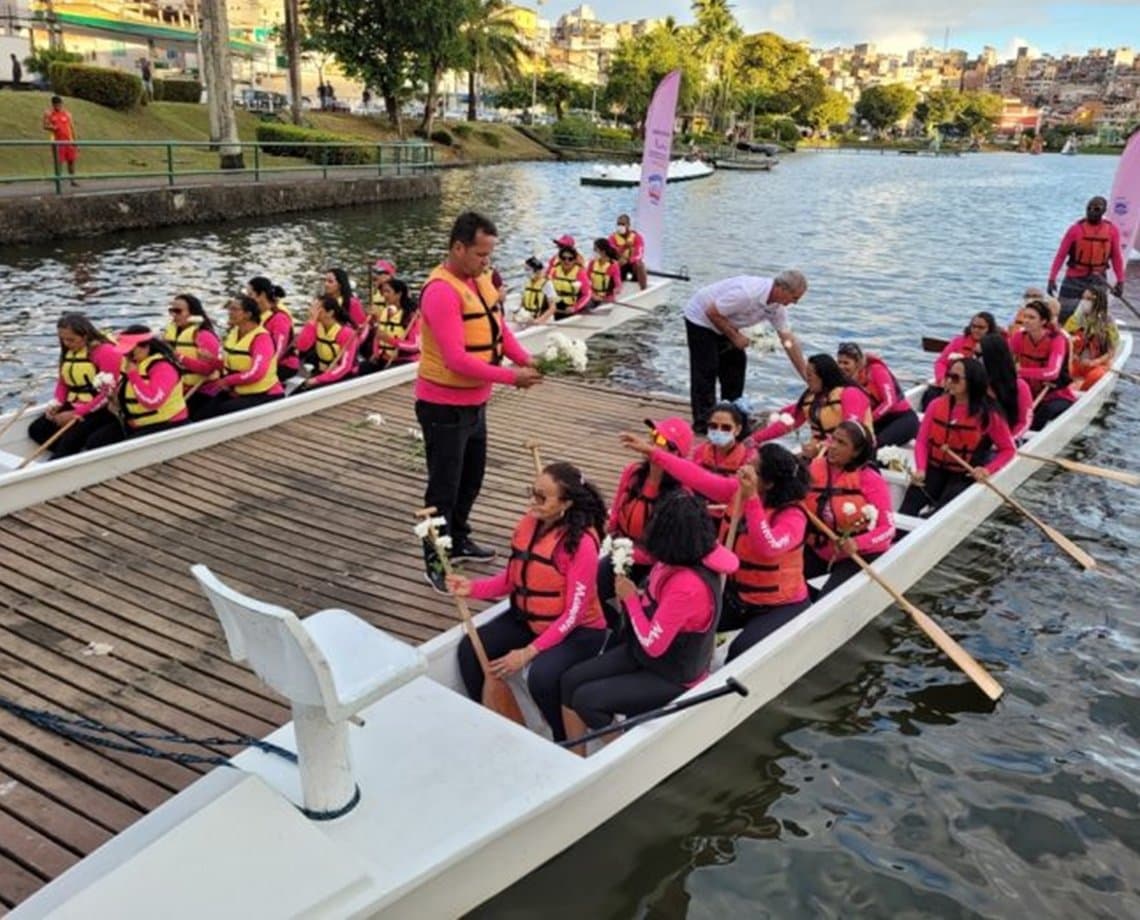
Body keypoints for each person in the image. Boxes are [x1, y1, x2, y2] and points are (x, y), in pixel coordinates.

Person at [416, 211, 542, 592]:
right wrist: (511, 377)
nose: (486, 262)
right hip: (443, 406)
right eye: (480, 255)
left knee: (471, 479)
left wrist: (524, 359)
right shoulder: (441, 291)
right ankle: (436, 559)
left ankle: (459, 537)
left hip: (475, 404)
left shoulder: (479, 282)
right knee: (444, 487)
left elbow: (498, 328)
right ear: (458, 247)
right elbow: (456, 358)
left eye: (488, 255)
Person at [559, 491, 738, 754]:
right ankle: (576, 754)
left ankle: (623, 753)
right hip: (641, 653)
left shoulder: (688, 585)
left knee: (587, 700)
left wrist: (630, 599)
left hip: (671, 673)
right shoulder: (673, 561)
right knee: (570, 680)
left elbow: (654, 644)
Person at [448, 461, 608, 742]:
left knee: (542, 677)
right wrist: (471, 587)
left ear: (566, 503)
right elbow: (512, 579)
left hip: (578, 632)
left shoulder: (581, 544)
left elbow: (573, 614)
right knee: (471, 651)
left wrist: (526, 653)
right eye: (532, 493)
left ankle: (563, 739)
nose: (533, 503)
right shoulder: (530, 525)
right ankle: (493, 722)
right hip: (530, 619)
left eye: (542, 497)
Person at [625, 434, 812, 662]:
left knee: (740, 653)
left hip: (778, 605)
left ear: (769, 483)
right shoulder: (738, 490)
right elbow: (698, 477)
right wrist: (653, 452)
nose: (744, 469)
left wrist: (752, 498)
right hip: (735, 595)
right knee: (681, 625)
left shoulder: (793, 517)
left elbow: (768, 547)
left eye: (752, 468)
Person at [682, 271, 809, 433]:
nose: (795, 302)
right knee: (707, 369)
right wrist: (735, 337)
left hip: (725, 320)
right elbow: (711, 312)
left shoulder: (777, 308)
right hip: (701, 319)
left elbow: (788, 341)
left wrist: (806, 375)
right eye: (795, 297)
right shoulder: (748, 294)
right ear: (781, 289)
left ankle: (732, 416)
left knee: (736, 366)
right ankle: (703, 422)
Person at [599, 417, 691, 627]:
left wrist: (624, 551)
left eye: (659, 440)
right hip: (623, 553)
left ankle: (624, 631)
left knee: (640, 610)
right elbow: (615, 515)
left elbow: (666, 552)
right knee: (588, 589)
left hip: (654, 566)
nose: (650, 443)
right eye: (652, 436)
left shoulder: (681, 496)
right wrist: (610, 540)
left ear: (676, 453)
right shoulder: (632, 473)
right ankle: (609, 624)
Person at [899, 357, 1015, 516]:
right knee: (908, 507)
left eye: (955, 378)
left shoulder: (989, 414)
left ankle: (932, 516)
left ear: (972, 381)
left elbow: (1008, 449)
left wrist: (987, 470)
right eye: (948, 375)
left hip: (965, 474)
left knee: (941, 512)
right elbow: (922, 442)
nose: (949, 381)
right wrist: (920, 469)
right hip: (934, 469)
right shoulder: (936, 405)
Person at [802, 420, 895, 596]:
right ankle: (809, 600)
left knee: (827, 599)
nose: (833, 447)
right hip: (819, 549)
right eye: (833, 440)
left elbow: (888, 529)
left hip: (854, 555)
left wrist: (858, 543)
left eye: (841, 443)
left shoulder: (870, 478)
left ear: (856, 452)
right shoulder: (814, 468)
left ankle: (819, 600)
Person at [28, 313, 120, 458]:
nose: (66, 344)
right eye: (63, 339)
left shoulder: (106, 352)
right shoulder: (70, 351)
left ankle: (64, 455)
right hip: (76, 403)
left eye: (71, 340)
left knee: (71, 437)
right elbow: (63, 382)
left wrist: (76, 414)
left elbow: (106, 394)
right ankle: (71, 453)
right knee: (37, 429)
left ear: (85, 335)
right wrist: (57, 403)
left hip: (100, 409)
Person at [751, 354, 873, 459]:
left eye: (810, 375)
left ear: (823, 375)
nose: (807, 379)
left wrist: (820, 447)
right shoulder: (811, 398)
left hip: (852, 456)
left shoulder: (850, 394)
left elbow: (852, 432)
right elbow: (788, 423)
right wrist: (754, 439)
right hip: (820, 453)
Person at [85, 326, 188, 449]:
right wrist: (113, 398)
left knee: (123, 449)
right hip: (135, 423)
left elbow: (152, 401)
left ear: (145, 347)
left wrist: (133, 375)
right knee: (95, 441)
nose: (126, 355)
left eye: (129, 352)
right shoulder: (134, 363)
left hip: (166, 424)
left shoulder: (163, 368)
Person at [197, 296, 284, 417]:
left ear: (248, 314)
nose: (229, 313)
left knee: (222, 411)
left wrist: (227, 381)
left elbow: (256, 373)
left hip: (264, 394)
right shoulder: (234, 333)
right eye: (230, 309)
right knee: (201, 414)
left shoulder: (261, 339)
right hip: (237, 391)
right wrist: (212, 360)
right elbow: (231, 365)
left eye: (234, 309)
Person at [1047, 196, 1125, 321]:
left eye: (1096, 209)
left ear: (1103, 211)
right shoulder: (1075, 230)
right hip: (1074, 277)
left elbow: (1116, 258)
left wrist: (1120, 281)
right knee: (1064, 312)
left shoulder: (1111, 231)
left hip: (1098, 279)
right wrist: (1052, 278)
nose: (1092, 211)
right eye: (1089, 208)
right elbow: (1060, 256)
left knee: (1096, 315)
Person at [1009, 298, 1076, 430]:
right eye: (1025, 316)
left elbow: (1052, 372)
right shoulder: (1019, 337)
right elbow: (1002, 359)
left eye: (1031, 317)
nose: (1026, 320)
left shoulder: (1057, 340)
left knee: (1045, 411)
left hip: (1055, 395)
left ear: (1043, 321)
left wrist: (1019, 371)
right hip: (1028, 392)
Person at [835, 342, 918, 447]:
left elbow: (889, 402)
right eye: (839, 362)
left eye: (846, 363)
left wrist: (869, 421)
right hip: (880, 420)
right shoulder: (846, 380)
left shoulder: (876, 370)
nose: (842, 367)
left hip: (902, 418)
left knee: (874, 445)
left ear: (858, 363)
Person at [921, 311, 998, 409]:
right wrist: (942, 379)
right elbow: (941, 362)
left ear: (989, 329)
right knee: (930, 394)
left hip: (976, 389)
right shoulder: (958, 342)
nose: (976, 330)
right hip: (952, 383)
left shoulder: (994, 347)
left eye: (981, 328)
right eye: (973, 326)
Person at [162, 293, 222, 415]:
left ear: (193, 313)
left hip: (203, 391)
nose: (173, 315)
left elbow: (207, 370)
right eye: (171, 311)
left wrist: (179, 357)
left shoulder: (204, 336)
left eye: (178, 311)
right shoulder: (171, 333)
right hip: (180, 388)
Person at [293, 294, 359, 391]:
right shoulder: (315, 326)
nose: (312, 311)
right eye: (312, 307)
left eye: (317, 309)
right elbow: (302, 346)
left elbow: (345, 367)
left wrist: (318, 380)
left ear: (330, 313)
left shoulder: (346, 333)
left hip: (342, 376)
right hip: (323, 371)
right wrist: (311, 322)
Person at [978, 333, 1032, 440]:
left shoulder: (1020, 386)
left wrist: (1008, 440)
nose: (976, 359)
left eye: (980, 355)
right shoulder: (973, 381)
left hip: (1004, 439)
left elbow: (1024, 422)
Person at [1064, 285, 1119, 391]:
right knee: (1062, 371)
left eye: (1089, 299)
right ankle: (1073, 386)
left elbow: (1112, 350)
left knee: (1096, 376)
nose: (1084, 301)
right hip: (1077, 362)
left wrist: (1096, 362)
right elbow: (1064, 339)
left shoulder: (1108, 322)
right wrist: (1073, 355)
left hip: (1098, 364)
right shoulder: (1075, 319)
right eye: (1083, 298)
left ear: (1098, 301)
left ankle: (1081, 388)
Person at [360, 277, 419, 373]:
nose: (384, 295)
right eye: (383, 292)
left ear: (399, 294)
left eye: (388, 292)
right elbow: (378, 336)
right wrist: (375, 353)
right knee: (361, 369)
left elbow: (415, 345)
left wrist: (390, 340)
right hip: (383, 357)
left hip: (404, 360)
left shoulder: (411, 316)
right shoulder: (385, 311)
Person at [247, 276, 298, 381]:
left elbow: (278, 351)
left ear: (261, 295)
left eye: (250, 295)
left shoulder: (279, 318)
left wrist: (258, 369)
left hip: (283, 365)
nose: (247, 299)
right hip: (260, 360)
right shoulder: (256, 315)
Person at [42, 95, 78, 187]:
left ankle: (72, 180)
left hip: (69, 141)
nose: (58, 106)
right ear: (53, 105)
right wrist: (53, 127)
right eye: (56, 105)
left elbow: (72, 127)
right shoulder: (49, 114)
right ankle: (58, 179)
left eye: (60, 104)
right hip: (57, 141)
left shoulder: (67, 114)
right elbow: (45, 125)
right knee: (59, 161)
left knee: (71, 161)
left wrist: (75, 140)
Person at [547, 245, 591, 318]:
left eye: (570, 259)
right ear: (560, 259)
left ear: (574, 260)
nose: (566, 261)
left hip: (571, 307)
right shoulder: (554, 270)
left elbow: (587, 294)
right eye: (563, 258)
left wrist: (575, 308)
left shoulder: (580, 273)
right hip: (556, 305)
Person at [608, 213, 647, 290]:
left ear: (628, 225)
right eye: (618, 224)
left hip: (632, 264)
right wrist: (624, 247)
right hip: (621, 264)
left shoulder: (637, 237)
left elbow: (639, 254)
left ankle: (644, 289)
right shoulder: (612, 238)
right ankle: (611, 291)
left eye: (622, 224)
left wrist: (630, 260)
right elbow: (612, 252)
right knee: (614, 265)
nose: (620, 226)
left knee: (640, 265)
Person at [585, 238, 622, 310]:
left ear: (603, 251)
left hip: (606, 298)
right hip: (593, 295)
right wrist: (593, 295)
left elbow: (618, 285)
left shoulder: (613, 265)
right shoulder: (592, 263)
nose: (593, 251)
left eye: (595, 249)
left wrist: (616, 290)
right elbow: (586, 281)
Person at [517, 256, 556, 324]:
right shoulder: (528, 282)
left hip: (543, 320)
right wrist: (519, 314)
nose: (526, 272)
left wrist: (539, 320)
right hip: (528, 318)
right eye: (525, 269)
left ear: (536, 270)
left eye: (528, 269)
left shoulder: (547, 284)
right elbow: (523, 302)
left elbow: (552, 308)